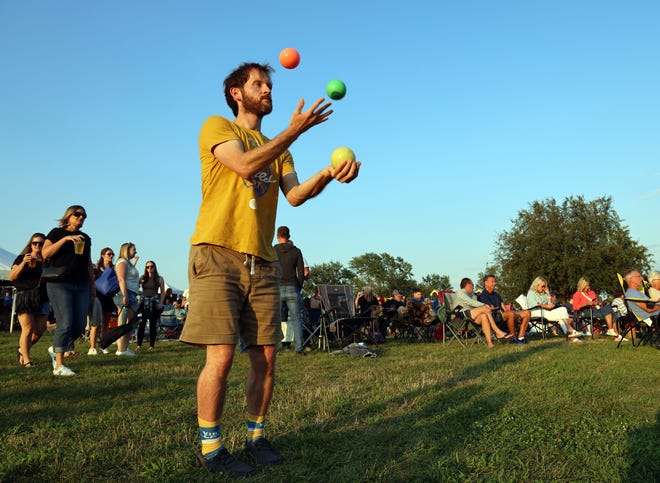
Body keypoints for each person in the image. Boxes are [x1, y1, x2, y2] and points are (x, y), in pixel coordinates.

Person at [179, 61, 360, 476]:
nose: (267, 90)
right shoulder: (218, 128)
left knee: (265, 357)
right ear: (236, 94)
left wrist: (329, 174)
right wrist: (293, 131)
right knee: (221, 357)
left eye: (269, 85)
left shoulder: (281, 149)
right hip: (217, 252)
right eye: (257, 84)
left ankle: (256, 436)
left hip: (262, 263)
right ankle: (212, 447)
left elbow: (294, 195)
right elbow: (243, 166)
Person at [43, 205, 95, 376]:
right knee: (65, 322)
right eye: (77, 214)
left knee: (79, 325)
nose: (81, 217)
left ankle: (56, 347)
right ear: (68, 216)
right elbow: (45, 253)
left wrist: (92, 285)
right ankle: (59, 365)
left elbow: (88, 263)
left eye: (84, 216)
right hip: (60, 282)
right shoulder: (56, 233)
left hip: (81, 284)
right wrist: (65, 240)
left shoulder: (86, 238)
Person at [8, 233, 50, 367]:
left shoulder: (47, 260)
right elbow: (12, 277)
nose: (38, 245)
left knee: (39, 331)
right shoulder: (22, 258)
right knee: (28, 328)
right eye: (35, 243)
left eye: (41, 243)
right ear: (30, 244)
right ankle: (27, 360)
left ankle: (21, 349)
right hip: (25, 295)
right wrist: (23, 264)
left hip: (42, 297)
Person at [273, 226, 306, 354]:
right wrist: (299, 286)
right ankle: (299, 348)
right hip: (293, 286)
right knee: (296, 319)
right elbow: (301, 272)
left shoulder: (273, 251)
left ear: (277, 236)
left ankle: (274, 348)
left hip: (277, 287)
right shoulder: (296, 251)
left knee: (276, 320)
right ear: (289, 236)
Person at [455, 278, 511, 348]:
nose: (473, 287)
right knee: (484, 308)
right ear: (468, 285)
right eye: (472, 285)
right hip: (460, 316)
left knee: (484, 316)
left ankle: (490, 344)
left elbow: (474, 305)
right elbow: (470, 302)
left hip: (470, 317)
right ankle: (497, 331)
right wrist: (484, 305)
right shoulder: (460, 292)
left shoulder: (471, 295)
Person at [478, 274, 531, 344]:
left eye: (495, 281)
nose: (495, 283)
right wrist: (511, 314)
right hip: (494, 317)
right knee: (511, 314)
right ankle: (512, 337)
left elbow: (504, 308)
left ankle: (520, 337)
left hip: (503, 314)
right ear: (486, 283)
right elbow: (491, 309)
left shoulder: (497, 295)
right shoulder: (482, 296)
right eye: (492, 282)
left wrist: (515, 315)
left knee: (527, 312)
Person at [572, 277, 622, 341]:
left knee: (609, 308)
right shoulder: (577, 294)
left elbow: (597, 302)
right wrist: (586, 303)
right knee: (610, 312)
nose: (588, 287)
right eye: (586, 285)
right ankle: (615, 334)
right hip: (585, 311)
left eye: (588, 285)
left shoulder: (591, 292)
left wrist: (599, 303)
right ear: (582, 286)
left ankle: (613, 332)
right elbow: (575, 307)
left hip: (595, 309)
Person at [89, 248, 117, 355]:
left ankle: (103, 346)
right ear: (102, 255)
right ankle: (92, 347)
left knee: (106, 323)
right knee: (96, 323)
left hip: (109, 298)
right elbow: (92, 282)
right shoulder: (96, 268)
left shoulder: (114, 269)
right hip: (98, 297)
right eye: (109, 254)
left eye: (112, 254)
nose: (111, 256)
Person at [115, 243, 140, 356]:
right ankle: (120, 349)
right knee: (123, 321)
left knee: (130, 322)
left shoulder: (129, 263)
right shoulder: (122, 262)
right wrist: (125, 295)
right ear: (127, 250)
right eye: (134, 249)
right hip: (126, 293)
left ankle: (124, 347)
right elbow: (121, 279)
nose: (135, 251)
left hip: (133, 293)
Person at [137, 261, 166, 351]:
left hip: (154, 301)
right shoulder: (142, 278)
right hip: (143, 301)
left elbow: (163, 292)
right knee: (142, 323)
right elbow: (136, 287)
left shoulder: (159, 278)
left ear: (154, 267)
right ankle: (139, 345)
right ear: (145, 268)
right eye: (147, 267)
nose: (149, 268)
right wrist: (139, 282)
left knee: (153, 324)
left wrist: (161, 303)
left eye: (151, 266)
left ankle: (151, 345)